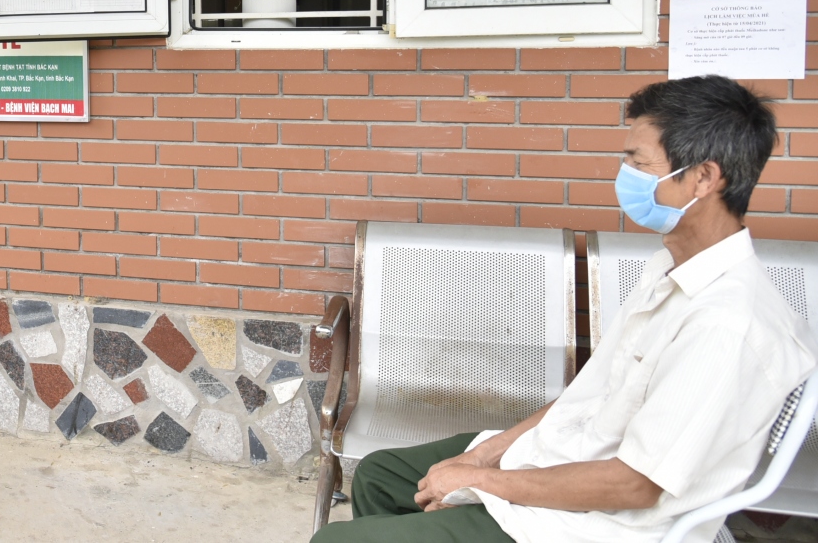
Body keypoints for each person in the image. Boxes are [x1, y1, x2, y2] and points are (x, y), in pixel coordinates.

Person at [314, 74, 818, 543]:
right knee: (381, 476)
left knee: (337, 540)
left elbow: (635, 485)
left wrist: (483, 483)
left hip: (601, 522)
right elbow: (590, 393)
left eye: (639, 163)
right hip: (568, 453)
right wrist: (487, 454)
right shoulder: (668, 268)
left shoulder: (728, 326)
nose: (625, 175)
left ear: (704, 178)